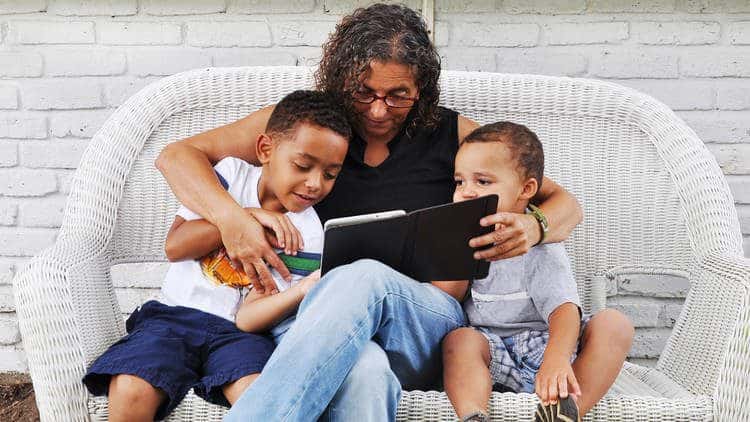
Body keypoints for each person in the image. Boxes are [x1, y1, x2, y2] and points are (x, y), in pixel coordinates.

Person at [155, 4, 633, 421]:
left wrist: (535, 225)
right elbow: (176, 156)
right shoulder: (310, 129)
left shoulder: (455, 135)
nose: (380, 110)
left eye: (398, 95)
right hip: (318, 324)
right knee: (364, 370)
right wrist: (232, 218)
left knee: (360, 276)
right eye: (364, 92)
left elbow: (564, 203)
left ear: (421, 87)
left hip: (425, 323)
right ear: (341, 78)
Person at [82, 90, 351, 421]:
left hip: (242, 336)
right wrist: (245, 216)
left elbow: (249, 317)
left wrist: (303, 289)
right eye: (303, 166)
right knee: (130, 386)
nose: (314, 184)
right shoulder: (230, 176)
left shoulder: (307, 233)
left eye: (330, 174)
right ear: (266, 150)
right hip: (174, 318)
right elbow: (176, 246)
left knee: (261, 396)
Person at [443, 122, 612, 422]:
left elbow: (563, 311)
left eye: (482, 182)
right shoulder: (464, 240)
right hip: (492, 349)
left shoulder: (539, 247)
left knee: (615, 325)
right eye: (459, 182)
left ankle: (564, 410)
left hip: (544, 347)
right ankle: (472, 414)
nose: (466, 192)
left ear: (526, 189)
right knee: (459, 341)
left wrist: (556, 360)